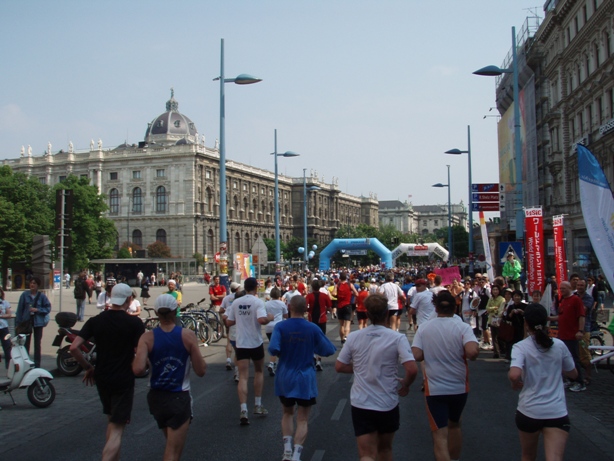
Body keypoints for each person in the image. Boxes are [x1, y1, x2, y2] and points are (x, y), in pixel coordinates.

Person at [336, 293, 417, 461]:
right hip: (387, 402)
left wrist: (360, 367)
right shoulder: (397, 338)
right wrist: (406, 385)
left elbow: (340, 366)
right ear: (387, 313)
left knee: (366, 454)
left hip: (361, 402)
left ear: (367, 314)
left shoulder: (353, 337)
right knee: (385, 449)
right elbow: (412, 369)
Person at [70, 283, 145, 461]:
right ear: (128, 299)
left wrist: (88, 367)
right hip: (123, 378)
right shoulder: (134, 323)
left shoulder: (96, 321)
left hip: (102, 377)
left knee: (112, 422)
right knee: (118, 428)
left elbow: (74, 347)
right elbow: (141, 351)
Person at [133, 294, 206, 461]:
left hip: (156, 396)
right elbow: (200, 371)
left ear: (157, 313)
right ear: (175, 311)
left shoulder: (147, 337)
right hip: (178, 395)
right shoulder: (187, 336)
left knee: (173, 446)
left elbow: (137, 369)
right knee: (172, 450)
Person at [411, 290, 479, 461]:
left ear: (436, 307)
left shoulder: (425, 328)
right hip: (459, 387)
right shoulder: (462, 327)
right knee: (455, 425)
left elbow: (416, 355)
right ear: (454, 308)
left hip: (435, 389)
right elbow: (472, 352)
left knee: (439, 434)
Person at [269, 296, 336, 461]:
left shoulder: (280, 327)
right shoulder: (312, 328)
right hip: (305, 377)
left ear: (289, 307)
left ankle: (286, 450)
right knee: (303, 418)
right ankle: (297, 455)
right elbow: (328, 350)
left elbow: (273, 349)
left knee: (287, 413)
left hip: (285, 375)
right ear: (306, 309)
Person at [508, 303, 577, 461]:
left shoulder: (520, 347)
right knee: (554, 458)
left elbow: (514, 374)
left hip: (529, 410)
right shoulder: (559, 345)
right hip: (556, 411)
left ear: (526, 323)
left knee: (528, 456)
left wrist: (514, 383)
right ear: (546, 322)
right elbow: (573, 373)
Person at [225, 277, 274, 425]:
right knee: (259, 371)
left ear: (244, 288)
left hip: (241, 343)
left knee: (243, 376)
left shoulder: (236, 302)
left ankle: (243, 409)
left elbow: (229, 321)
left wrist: (239, 319)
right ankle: (258, 404)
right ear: (256, 288)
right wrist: (269, 317)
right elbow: (261, 320)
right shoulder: (258, 302)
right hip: (255, 342)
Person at [15, 277, 51, 368]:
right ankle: (26, 363)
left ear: (38, 285)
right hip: (26, 322)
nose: (32, 285)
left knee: (37, 344)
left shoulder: (41, 296)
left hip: (38, 322)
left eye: (34, 283)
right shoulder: (24, 295)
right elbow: (19, 310)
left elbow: (48, 308)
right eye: (31, 283)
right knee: (25, 343)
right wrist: (18, 323)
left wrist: (38, 310)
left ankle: (37, 364)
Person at [305, 279, 333, 371]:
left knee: (311, 339)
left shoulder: (309, 296)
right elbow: (329, 307)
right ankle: (319, 361)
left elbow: (305, 307)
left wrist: (308, 311)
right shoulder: (324, 296)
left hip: (311, 320)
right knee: (320, 339)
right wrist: (329, 311)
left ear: (312, 287)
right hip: (322, 319)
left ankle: (312, 355)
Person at [265, 287, 288, 376]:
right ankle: (275, 363)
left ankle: (273, 363)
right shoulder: (282, 304)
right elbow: (286, 315)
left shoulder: (266, 304)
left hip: (268, 328)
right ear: (279, 294)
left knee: (273, 345)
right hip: (279, 327)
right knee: (279, 346)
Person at [220, 282, 241, 376]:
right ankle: (238, 371)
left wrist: (227, 325)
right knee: (239, 350)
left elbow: (221, 311)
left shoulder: (226, 298)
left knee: (229, 342)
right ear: (237, 289)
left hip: (230, 323)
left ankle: (228, 360)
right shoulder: (240, 301)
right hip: (240, 328)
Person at [333, 272, 359, 343]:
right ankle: (346, 337)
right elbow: (357, 294)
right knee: (347, 323)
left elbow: (333, 293)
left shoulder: (337, 285)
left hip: (340, 305)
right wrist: (351, 293)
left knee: (341, 325)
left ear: (340, 278)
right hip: (348, 305)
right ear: (346, 278)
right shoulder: (350, 285)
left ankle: (342, 339)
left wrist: (337, 295)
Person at [485, 285, 506, 359]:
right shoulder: (491, 299)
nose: (495, 291)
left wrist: (493, 310)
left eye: (496, 290)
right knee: (494, 337)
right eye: (494, 290)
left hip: (499, 320)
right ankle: (496, 352)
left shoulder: (502, 299)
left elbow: (501, 309)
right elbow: (487, 308)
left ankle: (502, 350)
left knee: (500, 336)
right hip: (492, 320)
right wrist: (494, 308)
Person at [0, 287, 12, 369]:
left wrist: (1, 316)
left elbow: (9, 314)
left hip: (4, 328)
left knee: (8, 348)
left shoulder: (5, 303)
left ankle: (9, 368)